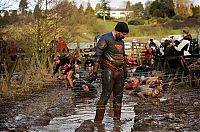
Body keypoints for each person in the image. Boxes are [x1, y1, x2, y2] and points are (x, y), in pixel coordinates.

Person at [88, 22, 129, 123]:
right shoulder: (105, 38)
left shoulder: (121, 42)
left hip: (120, 71)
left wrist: (125, 69)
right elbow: (97, 56)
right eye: (123, 34)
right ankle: (98, 121)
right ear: (118, 31)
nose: (124, 37)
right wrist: (94, 72)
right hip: (109, 69)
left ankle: (117, 120)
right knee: (105, 95)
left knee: (119, 96)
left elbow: (123, 56)